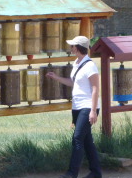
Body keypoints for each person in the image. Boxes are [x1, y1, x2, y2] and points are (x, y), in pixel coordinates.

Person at [46, 36, 102, 178]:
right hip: (77, 107)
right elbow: (73, 82)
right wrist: (56, 77)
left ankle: (71, 174)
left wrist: (93, 111)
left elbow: (95, 89)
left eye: (72, 46)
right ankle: (96, 173)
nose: (70, 48)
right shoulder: (77, 63)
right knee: (86, 140)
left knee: (77, 138)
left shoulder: (90, 65)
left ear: (77, 48)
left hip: (88, 107)